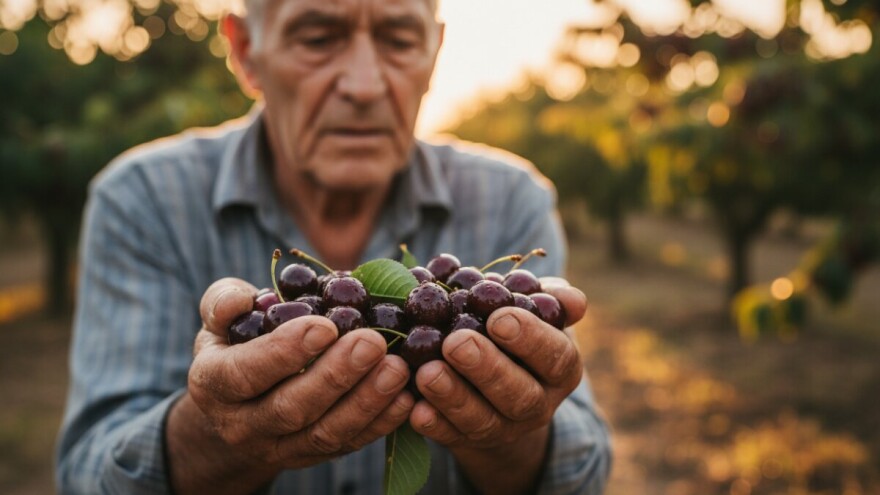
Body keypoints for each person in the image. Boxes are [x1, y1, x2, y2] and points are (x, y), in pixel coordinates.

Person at [55, 0, 612, 493]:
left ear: (434, 53)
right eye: (318, 38)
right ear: (248, 51)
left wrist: (507, 430)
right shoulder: (144, 199)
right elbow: (90, 474)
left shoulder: (512, 198)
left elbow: (580, 473)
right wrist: (218, 434)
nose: (365, 84)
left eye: (398, 39)